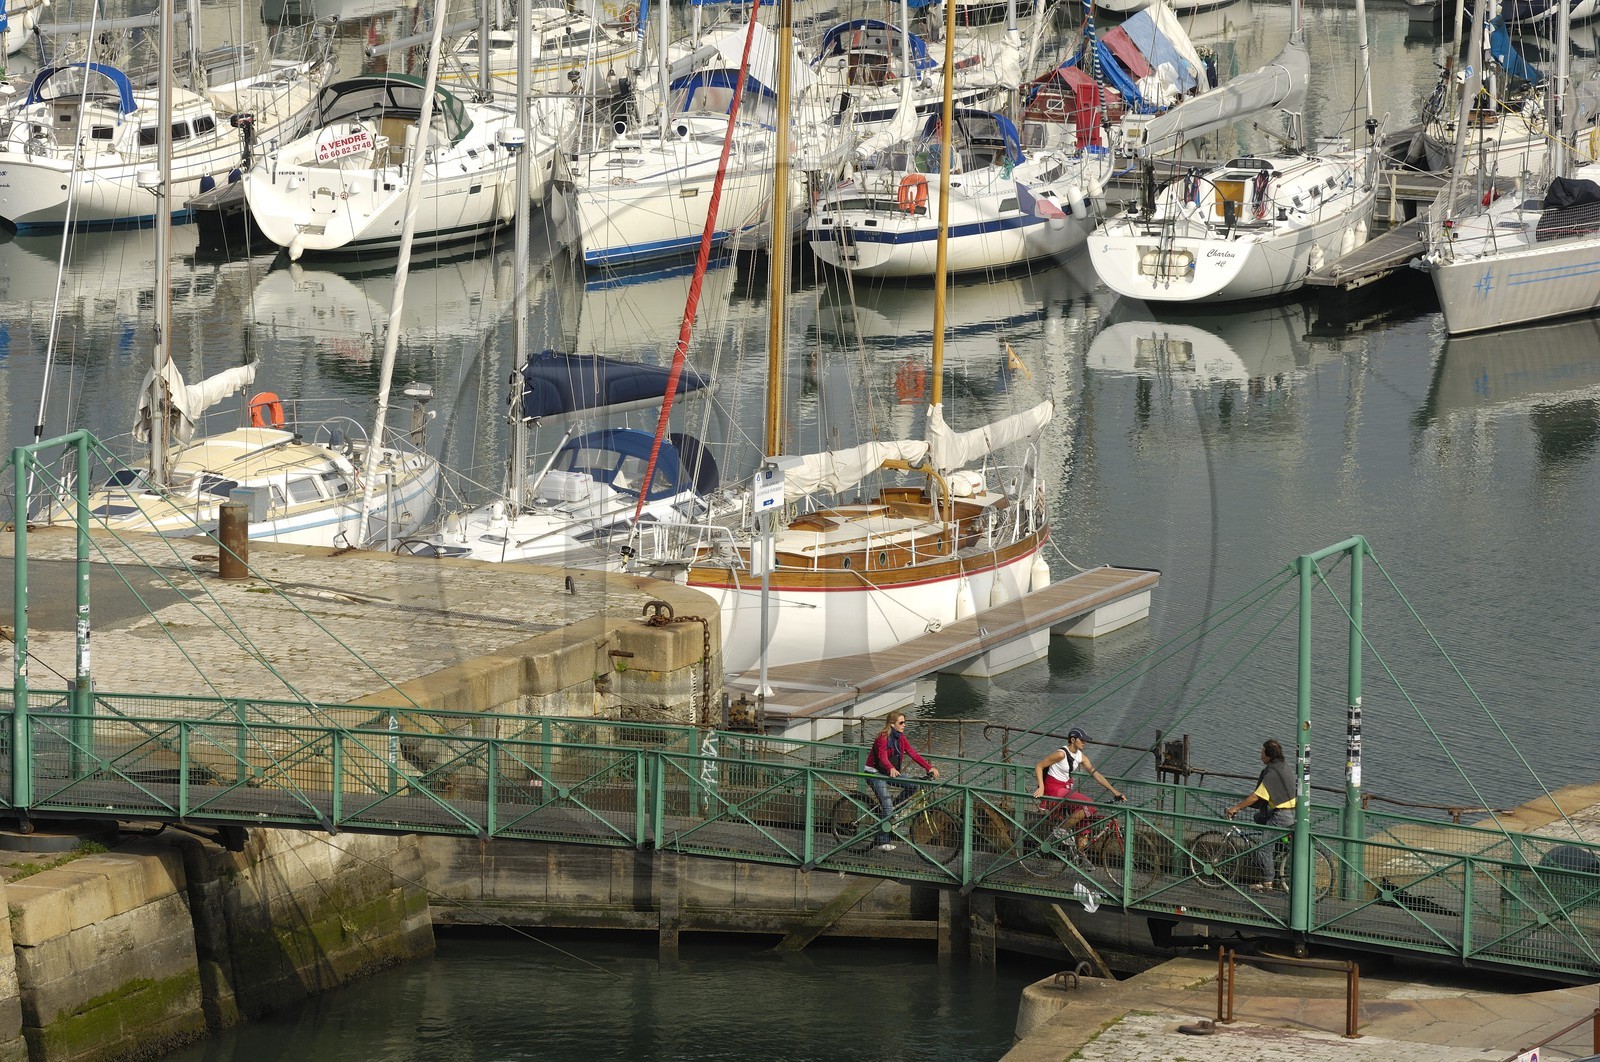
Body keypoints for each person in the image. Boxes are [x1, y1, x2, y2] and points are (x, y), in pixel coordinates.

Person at [1032, 727, 1125, 854]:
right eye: (1082, 740)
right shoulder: (1061, 754)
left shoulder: (1080, 756)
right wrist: (1041, 787)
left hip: (1065, 789)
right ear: (1073, 740)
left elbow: (1096, 774)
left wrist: (1114, 791)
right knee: (1089, 805)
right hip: (1054, 790)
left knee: (1084, 822)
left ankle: (1081, 856)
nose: (1084, 743)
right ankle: (1062, 830)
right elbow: (1039, 766)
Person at [1225, 738, 1297, 891]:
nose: (1260, 755)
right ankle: (1278, 849)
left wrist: (1236, 808)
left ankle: (1268, 882)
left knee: (1264, 848)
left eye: (1262, 752)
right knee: (1258, 817)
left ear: (1269, 755)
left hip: (1282, 816)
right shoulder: (1283, 766)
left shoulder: (1271, 773)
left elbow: (1255, 797)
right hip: (1292, 811)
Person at [864, 713, 940, 852]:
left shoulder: (901, 738)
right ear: (892, 724)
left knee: (913, 785)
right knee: (886, 807)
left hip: (888, 772)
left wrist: (929, 767)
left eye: (904, 722)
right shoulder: (883, 738)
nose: (904, 724)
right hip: (874, 772)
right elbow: (882, 757)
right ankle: (882, 841)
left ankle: (892, 811)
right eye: (901, 722)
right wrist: (891, 767)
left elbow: (913, 753)